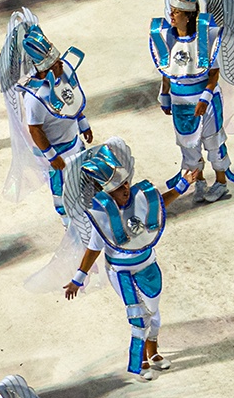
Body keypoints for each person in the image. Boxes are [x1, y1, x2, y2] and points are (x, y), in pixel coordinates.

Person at [62, 139, 197, 380]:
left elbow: (160, 205)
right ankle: (140, 363)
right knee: (139, 318)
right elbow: (93, 250)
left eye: (125, 184)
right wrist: (78, 279)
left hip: (148, 266)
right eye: (118, 188)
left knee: (154, 315)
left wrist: (182, 186)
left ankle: (153, 352)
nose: (125, 190)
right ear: (106, 193)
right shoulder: (102, 216)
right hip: (122, 273)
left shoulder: (140, 198)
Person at [149, 0, 234, 203]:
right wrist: (165, 96)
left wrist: (205, 99)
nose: (172, 16)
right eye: (171, 11)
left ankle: (220, 181)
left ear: (189, 15)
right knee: (188, 147)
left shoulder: (206, 37)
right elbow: (166, 72)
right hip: (181, 104)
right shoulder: (164, 38)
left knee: (213, 142)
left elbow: (213, 75)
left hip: (205, 101)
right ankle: (198, 180)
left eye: (177, 12)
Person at [0, 10, 92, 220]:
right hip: (58, 153)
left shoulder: (64, 72)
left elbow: (72, 98)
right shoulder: (35, 98)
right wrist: (52, 157)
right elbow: (35, 130)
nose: (61, 64)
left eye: (58, 60)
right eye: (55, 64)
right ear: (43, 71)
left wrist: (83, 123)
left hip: (75, 142)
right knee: (64, 196)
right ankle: (70, 226)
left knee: (85, 186)